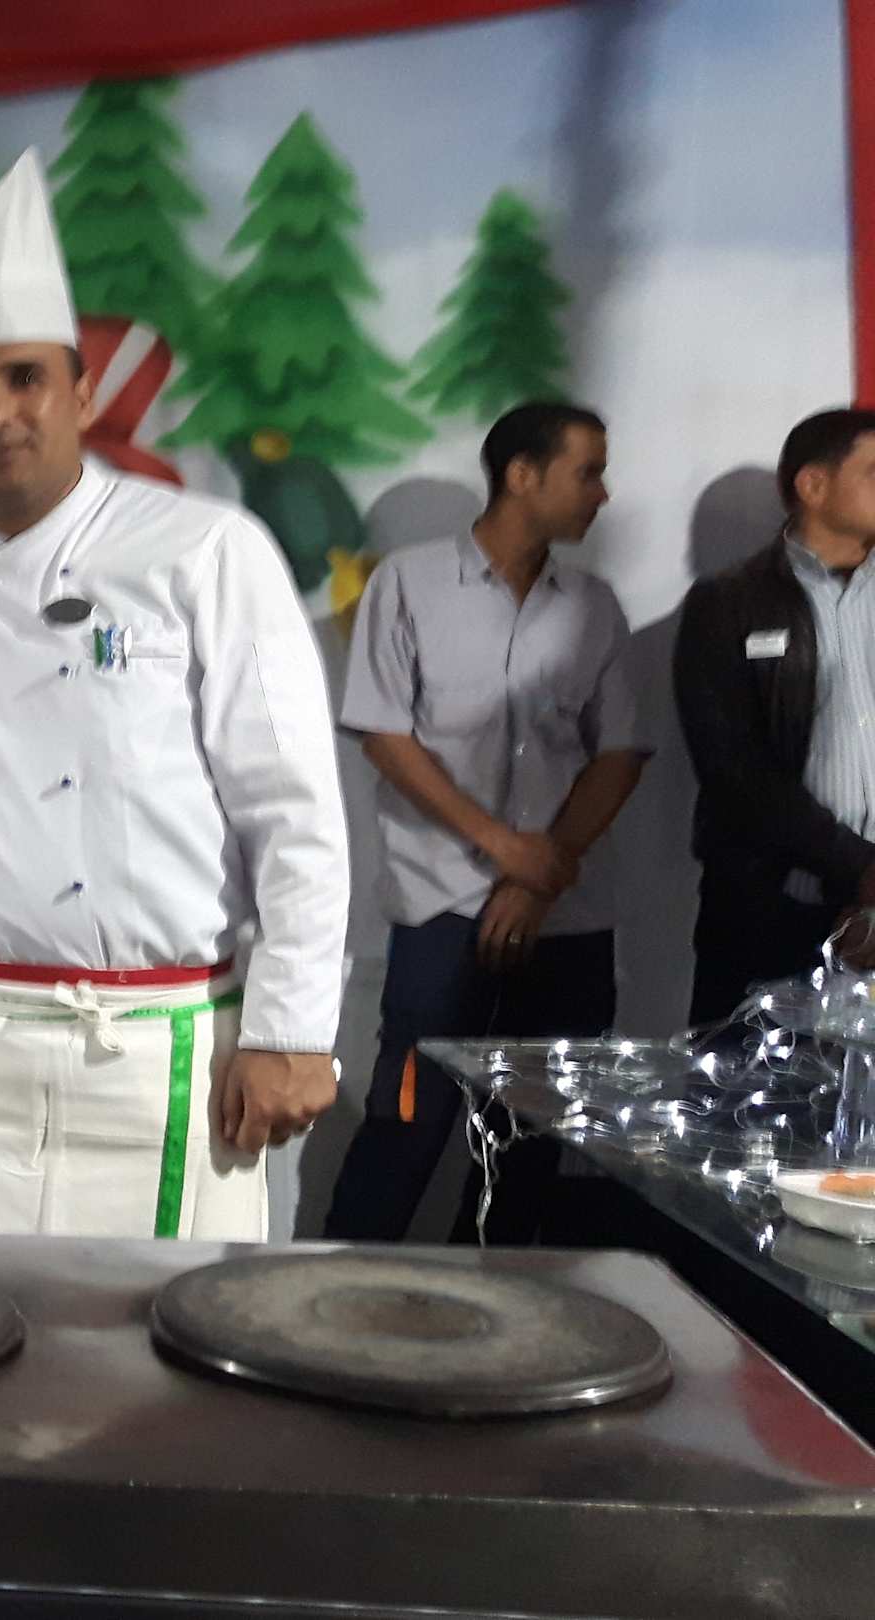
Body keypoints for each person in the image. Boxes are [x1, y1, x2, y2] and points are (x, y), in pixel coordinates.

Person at [0, 154, 349, 1241]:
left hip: (161, 1047)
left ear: (82, 393)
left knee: (162, 1337)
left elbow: (294, 810)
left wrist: (290, 1028)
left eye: (24, 378)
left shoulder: (205, 549)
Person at [322, 402, 647, 1244]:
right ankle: (335, 1296)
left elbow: (620, 753)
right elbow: (385, 735)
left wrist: (539, 877)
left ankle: (496, 1308)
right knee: (404, 1130)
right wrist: (506, 851)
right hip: (444, 907)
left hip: (567, 917)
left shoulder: (594, 605)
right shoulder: (408, 583)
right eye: (588, 472)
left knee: (529, 1149)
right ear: (522, 475)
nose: (603, 494)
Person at [676, 407, 875, 1022]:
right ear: (813, 485)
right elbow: (735, 770)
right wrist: (860, 870)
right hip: (770, 908)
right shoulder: (727, 603)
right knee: (748, 1080)